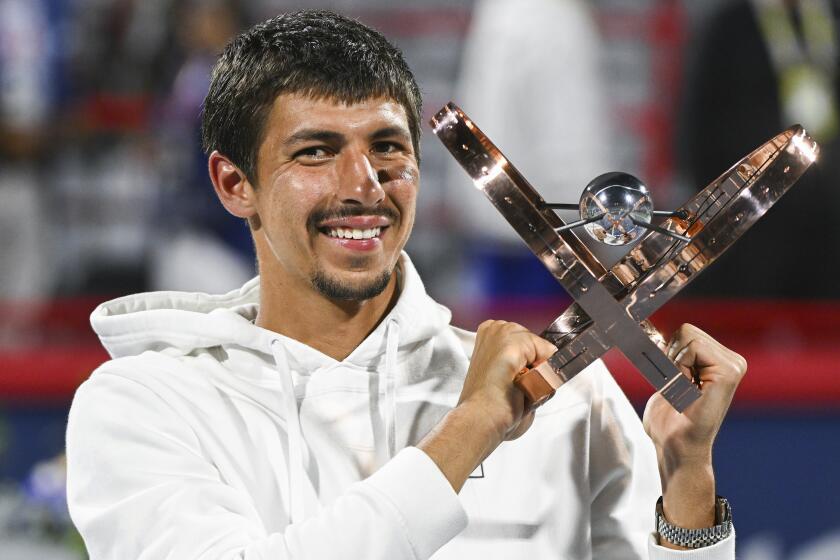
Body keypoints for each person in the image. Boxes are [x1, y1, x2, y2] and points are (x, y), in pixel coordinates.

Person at [65, 10, 745, 559]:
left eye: (388, 147)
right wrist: (474, 424)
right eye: (317, 151)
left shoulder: (569, 396)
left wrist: (687, 485)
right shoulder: (143, 405)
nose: (364, 185)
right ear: (234, 183)